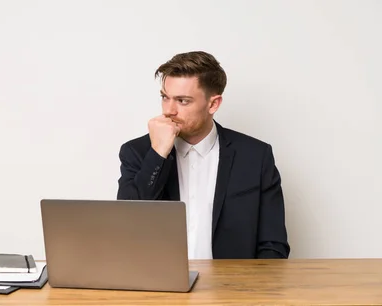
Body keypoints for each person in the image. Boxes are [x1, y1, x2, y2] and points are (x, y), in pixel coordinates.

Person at [116, 51, 290, 259]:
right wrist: (158, 154)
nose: (169, 110)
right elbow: (126, 226)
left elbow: (273, 245)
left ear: (213, 104)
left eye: (182, 101)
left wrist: (250, 289)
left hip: (234, 287)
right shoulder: (137, 152)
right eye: (165, 97)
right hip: (159, 286)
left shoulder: (255, 156)